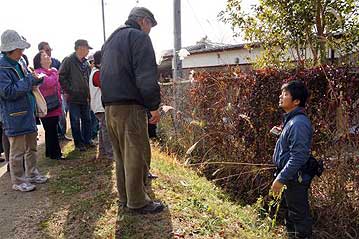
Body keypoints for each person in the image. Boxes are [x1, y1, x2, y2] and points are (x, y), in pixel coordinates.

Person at [101, 7, 163, 214]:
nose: (150, 31)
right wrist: (154, 106)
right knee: (135, 153)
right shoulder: (138, 38)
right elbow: (146, 76)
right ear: (144, 21)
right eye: (150, 26)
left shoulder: (111, 40)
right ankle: (137, 201)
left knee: (120, 155)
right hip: (130, 105)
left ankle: (125, 196)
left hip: (110, 106)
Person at [0, 29, 48, 192]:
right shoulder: (2, 67)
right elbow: (8, 92)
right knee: (17, 151)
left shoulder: (20, 62)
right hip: (14, 116)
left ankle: (32, 174)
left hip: (27, 113)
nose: (22, 52)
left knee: (32, 147)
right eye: (19, 49)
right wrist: (29, 80)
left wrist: (35, 79)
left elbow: (27, 82)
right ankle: (18, 181)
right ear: (10, 50)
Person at [271, 80, 313, 238]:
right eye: (282, 93)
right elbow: (291, 147)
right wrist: (280, 133)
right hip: (290, 176)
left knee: (299, 217)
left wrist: (281, 178)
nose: (281, 96)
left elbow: (299, 156)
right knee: (291, 214)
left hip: (295, 178)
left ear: (296, 101)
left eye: (285, 94)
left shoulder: (298, 123)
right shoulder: (291, 120)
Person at [59, 39, 94, 151]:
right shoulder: (69, 60)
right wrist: (70, 90)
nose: (88, 51)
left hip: (85, 96)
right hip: (73, 97)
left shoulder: (86, 62)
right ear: (80, 48)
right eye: (87, 48)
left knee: (87, 119)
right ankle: (79, 144)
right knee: (75, 121)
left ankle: (87, 140)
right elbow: (61, 76)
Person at [33, 51, 65, 160]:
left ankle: (50, 152)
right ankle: (56, 154)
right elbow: (50, 82)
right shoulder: (39, 73)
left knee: (51, 130)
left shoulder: (49, 71)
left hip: (54, 105)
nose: (48, 57)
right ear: (39, 61)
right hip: (47, 107)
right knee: (51, 130)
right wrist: (55, 72)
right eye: (44, 56)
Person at [89, 50, 113, 159]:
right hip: (100, 106)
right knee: (106, 129)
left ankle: (103, 152)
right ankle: (109, 153)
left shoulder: (96, 72)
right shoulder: (97, 73)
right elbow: (106, 86)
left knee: (103, 128)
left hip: (99, 106)